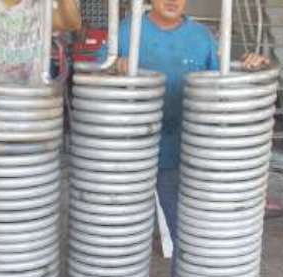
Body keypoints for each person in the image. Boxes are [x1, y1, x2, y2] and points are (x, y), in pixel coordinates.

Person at [101, 0, 269, 259]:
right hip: (128, 154)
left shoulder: (201, 37)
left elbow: (220, 87)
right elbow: (96, 74)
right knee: (116, 237)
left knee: (189, 238)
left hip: (179, 153)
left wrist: (251, 67)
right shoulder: (126, 31)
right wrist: (114, 66)